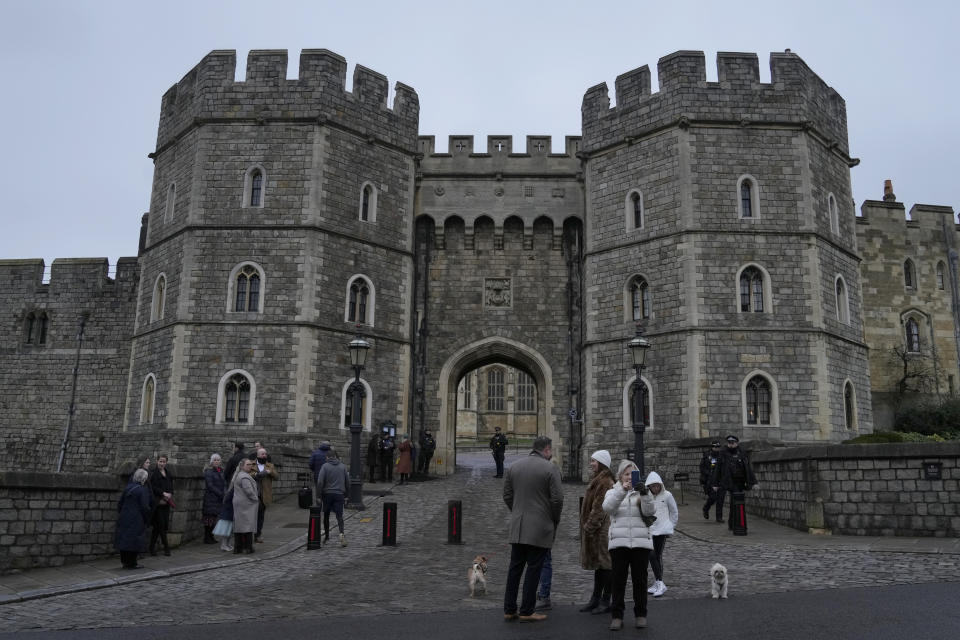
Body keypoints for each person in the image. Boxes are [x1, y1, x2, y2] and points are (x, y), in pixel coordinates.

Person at [502, 435, 563, 623]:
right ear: (546, 450)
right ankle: (527, 610)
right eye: (550, 450)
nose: (551, 453)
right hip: (540, 526)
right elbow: (557, 499)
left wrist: (518, 511)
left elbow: (507, 495)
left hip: (518, 525)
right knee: (534, 569)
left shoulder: (514, 466)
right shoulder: (550, 468)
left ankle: (510, 609)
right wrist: (553, 518)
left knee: (515, 569)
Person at [602, 459, 656, 631]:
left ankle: (641, 614)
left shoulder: (643, 491)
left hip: (640, 543)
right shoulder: (613, 491)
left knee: (640, 581)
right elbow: (608, 508)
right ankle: (617, 616)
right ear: (620, 476)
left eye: (632, 474)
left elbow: (650, 511)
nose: (629, 477)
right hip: (620, 542)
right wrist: (622, 491)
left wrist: (645, 494)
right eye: (626, 474)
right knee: (618, 581)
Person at [577, 449, 615, 614]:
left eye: (594, 461)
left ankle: (606, 600)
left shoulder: (605, 481)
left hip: (602, 531)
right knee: (601, 566)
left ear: (602, 463)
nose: (591, 463)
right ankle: (595, 598)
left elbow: (599, 508)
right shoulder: (599, 479)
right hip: (597, 531)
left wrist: (589, 527)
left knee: (606, 565)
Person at [711, 434, 758, 531]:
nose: (731, 444)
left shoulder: (742, 453)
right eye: (729, 443)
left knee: (736, 503)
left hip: (739, 482)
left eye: (732, 443)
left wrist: (754, 482)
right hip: (728, 481)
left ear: (737, 443)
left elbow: (748, 468)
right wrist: (715, 483)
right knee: (730, 501)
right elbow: (717, 469)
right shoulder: (723, 453)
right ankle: (733, 523)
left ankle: (734, 524)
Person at [644, 471, 679, 598]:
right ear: (649, 486)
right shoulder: (646, 496)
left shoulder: (667, 495)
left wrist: (670, 527)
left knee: (656, 556)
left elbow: (674, 512)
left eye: (657, 486)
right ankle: (659, 582)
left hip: (662, 530)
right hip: (650, 530)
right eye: (653, 486)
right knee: (652, 555)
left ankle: (659, 582)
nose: (655, 488)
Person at [115, 468, 152, 569]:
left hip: (125, 517)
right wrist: (146, 519)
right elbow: (145, 507)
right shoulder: (142, 490)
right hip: (137, 519)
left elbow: (120, 504)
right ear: (144, 479)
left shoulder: (128, 487)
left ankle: (124, 562)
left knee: (124, 540)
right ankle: (132, 563)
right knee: (134, 541)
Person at [316, 447, 351, 547]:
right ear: (335, 457)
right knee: (339, 516)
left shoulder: (325, 466)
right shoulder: (342, 466)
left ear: (327, 457)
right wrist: (347, 496)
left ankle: (327, 536)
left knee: (326, 515)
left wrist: (318, 496)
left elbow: (320, 482)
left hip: (327, 495)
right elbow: (347, 482)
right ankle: (341, 533)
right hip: (339, 495)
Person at [148, 454, 174, 557]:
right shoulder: (154, 474)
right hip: (158, 504)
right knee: (161, 525)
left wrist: (170, 494)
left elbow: (171, 486)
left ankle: (151, 547)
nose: (162, 463)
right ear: (157, 461)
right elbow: (152, 487)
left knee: (159, 527)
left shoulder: (168, 473)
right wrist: (163, 494)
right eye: (160, 461)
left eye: (164, 462)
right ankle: (166, 547)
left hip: (166, 504)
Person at [251, 447, 278, 543]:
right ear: (258, 455)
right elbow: (249, 475)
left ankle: (258, 534)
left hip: (264, 495)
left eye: (265, 454)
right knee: (253, 516)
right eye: (262, 454)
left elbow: (276, 476)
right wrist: (259, 474)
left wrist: (270, 472)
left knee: (261, 516)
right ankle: (251, 534)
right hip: (254, 494)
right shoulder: (251, 464)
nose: (264, 456)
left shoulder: (269, 465)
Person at [232, 458, 259, 553]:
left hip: (241, 504)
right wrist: (256, 499)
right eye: (247, 464)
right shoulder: (244, 477)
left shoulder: (240, 475)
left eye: (251, 464)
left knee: (239, 526)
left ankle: (238, 548)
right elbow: (249, 491)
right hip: (246, 504)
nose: (250, 466)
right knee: (247, 526)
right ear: (242, 466)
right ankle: (248, 548)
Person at [202, 453, 225, 544]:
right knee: (209, 519)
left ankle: (211, 536)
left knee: (214, 518)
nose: (216, 461)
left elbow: (224, 483)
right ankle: (207, 537)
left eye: (218, 460)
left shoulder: (221, 471)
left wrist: (224, 492)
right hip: (210, 498)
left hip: (218, 499)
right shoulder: (209, 472)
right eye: (215, 460)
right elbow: (210, 486)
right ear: (212, 462)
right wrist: (220, 493)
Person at [699, 441, 724, 522]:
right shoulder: (706, 456)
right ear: (712, 447)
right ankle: (706, 508)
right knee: (713, 497)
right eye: (715, 447)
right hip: (709, 480)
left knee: (720, 498)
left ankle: (719, 517)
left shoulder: (722, 456)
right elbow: (702, 467)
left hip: (719, 480)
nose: (717, 449)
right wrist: (709, 473)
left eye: (718, 447)